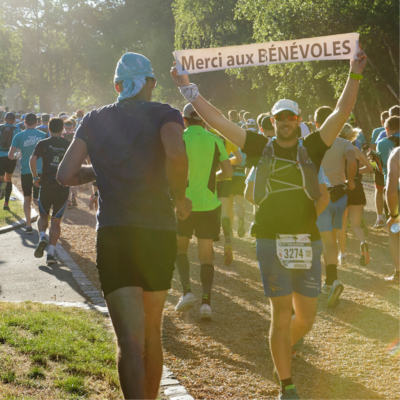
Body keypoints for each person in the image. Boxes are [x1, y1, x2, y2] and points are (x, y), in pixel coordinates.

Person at [171, 47, 367, 400]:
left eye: (291, 117)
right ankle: (286, 386)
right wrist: (189, 90)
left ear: (299, 119)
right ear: (272, 121)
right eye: (280, 118)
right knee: (280, 314)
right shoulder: (260, 146)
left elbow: (342, 111)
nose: (286, 122)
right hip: (270, 241)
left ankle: (279, 351)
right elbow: (217, 121)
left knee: (306, 318)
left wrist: (354, 71)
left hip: (305, 241)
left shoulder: (313, 146)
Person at [57, 52, 190, 400]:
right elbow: (176, 153)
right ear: (150, 83)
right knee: (152, 333)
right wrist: (180, 194)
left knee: (128, 339)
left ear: (117, 86)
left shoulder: (95, 119)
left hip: (115, 232)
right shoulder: (165, 113)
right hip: (158, 231)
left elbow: (65, 174)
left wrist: (96, 173)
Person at [175, 103, 232, 319]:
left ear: (184, 119)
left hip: (185, 202)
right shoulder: (216, 139)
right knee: (206, 256)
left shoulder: (180, 139)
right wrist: (209, 179)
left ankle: (187, 292)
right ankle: (206, 303)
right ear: (204, 120)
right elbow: (227, 172)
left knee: (181, 249)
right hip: (209, 204)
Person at [317, 111, 357, 307]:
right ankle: (329, 281)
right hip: (340, 196)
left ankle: (332, 280)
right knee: (331, 239)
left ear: (316, 122)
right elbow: (352, 160)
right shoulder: (345, 143)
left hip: (322, 195)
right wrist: (350, 182)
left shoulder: (314, 142)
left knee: (326, 241)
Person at [30, 118, 71, 265]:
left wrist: (35, 177)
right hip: (62, 185)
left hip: (46, 183)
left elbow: (32, 159)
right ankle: (51, 254)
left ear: (49, 128)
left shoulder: (43, 143)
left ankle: (42, 237)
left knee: (43, 215)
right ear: (62, 130)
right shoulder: (68, 145)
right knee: (56, 221)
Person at [336, 124, 373, 266]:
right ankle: (363, 242)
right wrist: (356, 173)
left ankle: (343, 255)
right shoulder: (356, 150)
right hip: (357, 188)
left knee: (342, 225)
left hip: (342, 188)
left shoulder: (337, 150)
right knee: (356, 225)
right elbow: (369, 168)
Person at [8, 113, 46, 233]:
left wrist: (18, 155)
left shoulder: (19, 136)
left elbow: (10, 155)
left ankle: (28, 225)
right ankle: (43, 225)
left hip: (26, 170)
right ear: (37, 122)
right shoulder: (43, 135)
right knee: (40, 198)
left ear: (25, 122)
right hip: (40, 170)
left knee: (27, 198)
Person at [370, 110, 389, 229]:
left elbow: (373, 151)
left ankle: (380, 219)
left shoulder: (378, 131)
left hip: (381, 167)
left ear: (382, 121)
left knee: (379, 191)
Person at [385, 147, 400, 281]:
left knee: (395, 233)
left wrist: (394, 216)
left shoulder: (397, 153)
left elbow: (391, 190)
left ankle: (399, 273)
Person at [0, 112, 19, 210]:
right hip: (12, 157)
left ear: (5, 119)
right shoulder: (16, 130)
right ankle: (6, 203)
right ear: (14, 120)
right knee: (8, 179)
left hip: (0, 156)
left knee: (1, 178)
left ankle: (1, 188)